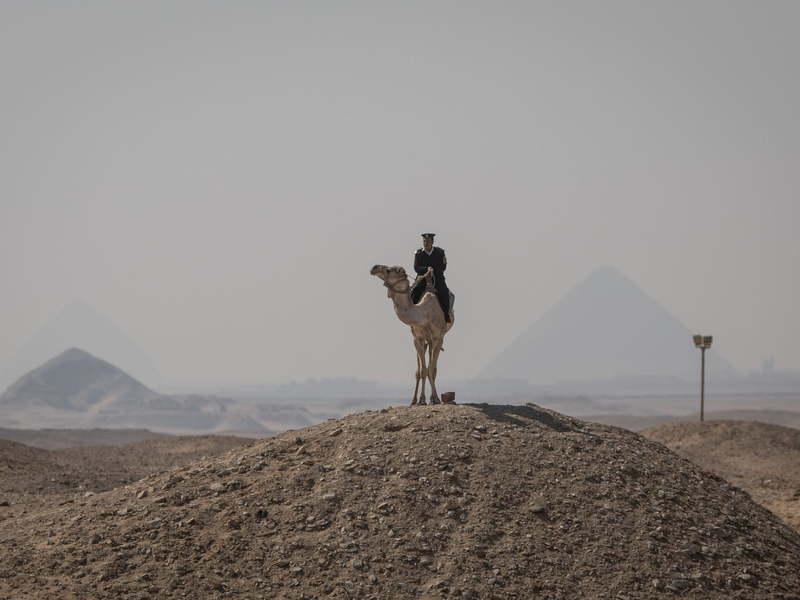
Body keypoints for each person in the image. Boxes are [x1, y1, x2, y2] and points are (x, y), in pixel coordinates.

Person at [410, 232, 451, 323]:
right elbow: (416, 267)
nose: (426, 243)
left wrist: (433, 271)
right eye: (424, 241)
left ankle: (446, 314)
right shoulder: (419, 253)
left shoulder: (440, 252)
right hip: (423, 278)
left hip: (437, 278)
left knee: (443, 292)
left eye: (428, 241)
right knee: (415, 291)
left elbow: (443, 266)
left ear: (432, 242)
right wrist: (426, 269)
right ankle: (413, 312)